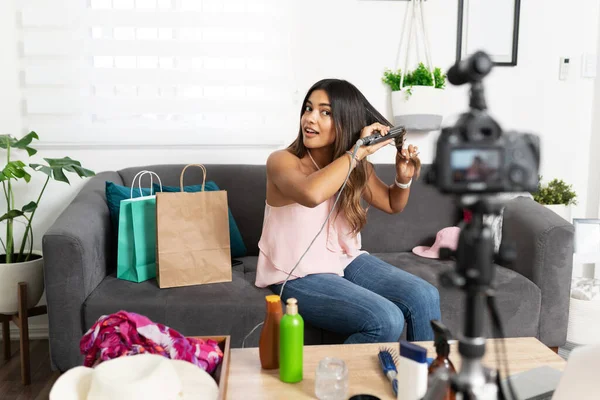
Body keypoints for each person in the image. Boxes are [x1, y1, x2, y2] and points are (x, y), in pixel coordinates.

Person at [255, 78, 441, 343]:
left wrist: (403, 178)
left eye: (325, 112)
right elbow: (312, 194)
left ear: (345, 121)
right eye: (308, 108)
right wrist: (357, 153)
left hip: (344, 260)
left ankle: (426, 381)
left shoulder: (353, 164)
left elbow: (391, 203)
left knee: (425, 295)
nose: (310, 119)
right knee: (386, 319)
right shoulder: (282, 161)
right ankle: (332, 380)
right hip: (295, 272)